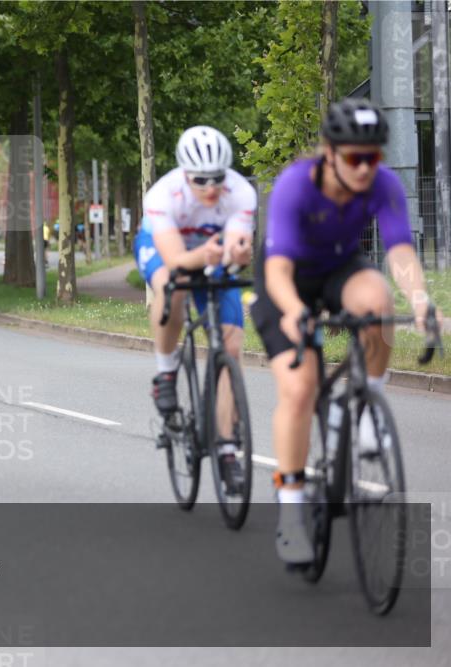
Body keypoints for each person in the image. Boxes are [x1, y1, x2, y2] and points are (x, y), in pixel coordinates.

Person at [251, 98, 441, 565]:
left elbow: (399, 252)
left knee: (378, 298)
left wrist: (420, 300)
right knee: (299, 389)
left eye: (373, 157)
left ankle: (365, 405)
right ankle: (292, 508)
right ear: (328, 152)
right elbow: (276, 269)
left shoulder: (383, 183)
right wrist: (295, 310)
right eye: (354, 157)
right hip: (287, 279)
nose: (364, 168)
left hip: (340, 270)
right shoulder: (297, 185)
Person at [133, 125, 256, 483]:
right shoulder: (162, 196)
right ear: (185, 174)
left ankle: (228, 448)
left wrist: (238, 254)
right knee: (174, 289)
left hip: (209, 251)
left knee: (232, 345)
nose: (211, 188)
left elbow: (235, 250)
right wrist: (208, 254)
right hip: (163, 248)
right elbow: (174, 260)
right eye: (200, 180)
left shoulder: (241, 193)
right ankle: (166, 372)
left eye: (217, 178)